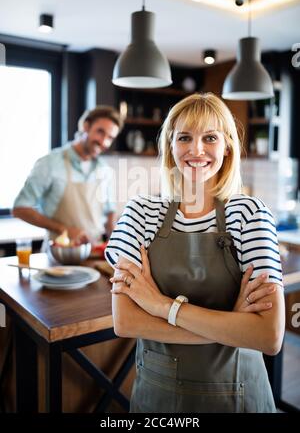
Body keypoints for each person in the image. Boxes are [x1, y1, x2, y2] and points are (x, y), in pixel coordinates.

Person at [105, 93, 285, 413]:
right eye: (184, 137)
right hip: (156, 400)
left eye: (210, 137)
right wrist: (233, 326)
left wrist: (159, 306)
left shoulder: (249, 213)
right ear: (170, 147)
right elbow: (126, 321)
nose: (196, 150)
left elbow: (268, 336)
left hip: (237, 396)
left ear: (227, 146)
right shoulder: (140, 212)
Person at [13, 105, 123, 243]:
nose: (104, 142)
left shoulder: (105, 170)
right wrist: (62, 229)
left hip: (94, 252)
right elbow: (20, 208)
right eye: (100, 132)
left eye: (110, 137)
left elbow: (109, 214)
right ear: (86, 126)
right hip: (59, 253)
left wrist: (118, 244)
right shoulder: (50, 163)